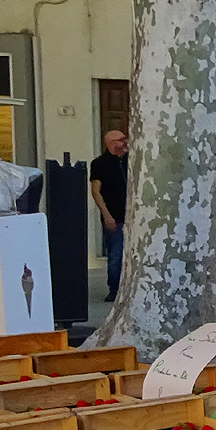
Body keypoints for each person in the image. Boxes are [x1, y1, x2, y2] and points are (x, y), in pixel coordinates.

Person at [89, 129, 129, 301]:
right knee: (115, 255)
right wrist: (107, 215)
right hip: (115, 216)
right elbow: (96, 192)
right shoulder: (99, 164)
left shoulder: (130, 160)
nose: (126, 142)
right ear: (112, 144)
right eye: (122, 140)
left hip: (133, 216)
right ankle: (114, 289)